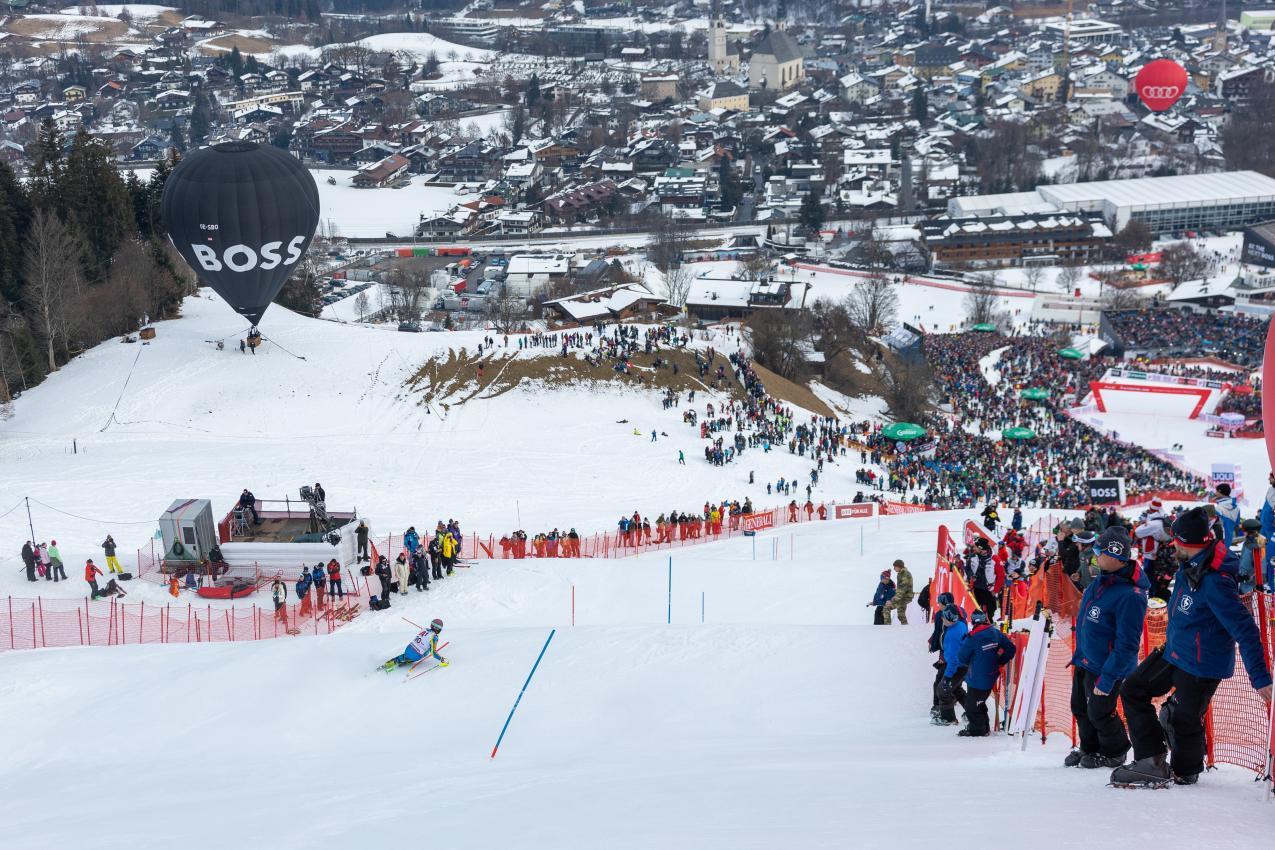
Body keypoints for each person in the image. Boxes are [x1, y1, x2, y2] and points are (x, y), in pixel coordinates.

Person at [1111, 507, 1273, 787]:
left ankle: (1185, 771)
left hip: (1202, 663)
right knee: (1133, 689)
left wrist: (1260, 677)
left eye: (1175, 540)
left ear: (1186, 542)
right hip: (1175, 651)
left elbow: (1245, 630)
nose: (1172, 545)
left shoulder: (1215, 581)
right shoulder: (1192, 565)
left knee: (1183, 719)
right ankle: (1151, 760)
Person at [1065, 526, 1148, 769]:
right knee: (1080, 707)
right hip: (1086, 660)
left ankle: (1115, 751)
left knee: (1100, 712)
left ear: (1114, 555)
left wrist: (1108, 677)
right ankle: (1090, 747)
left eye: (1099, 552)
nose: (1095, 556)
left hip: (1106, 666)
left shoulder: (1131, 595)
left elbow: (1128, 644)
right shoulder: (1099, 582)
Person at [955, 609, 1016, 737]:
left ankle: (978, 730)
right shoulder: (995, 633)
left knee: (971, 706)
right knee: (979, 702)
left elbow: (961, 657)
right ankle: (984, 727)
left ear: (973, 622)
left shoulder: (972, 637)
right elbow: (1011, 649)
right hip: (991, 675)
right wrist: (1000, 661)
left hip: (977, 678)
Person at [934, 604, 969, 726]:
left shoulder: (953, 634)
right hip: (962, 664)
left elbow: (954, 660)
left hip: (958, 666)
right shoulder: (959, 625)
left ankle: (948, 718)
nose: (941, 619)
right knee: (956, 689)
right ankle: (972, 712)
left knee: (942, 690)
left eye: (943, 617)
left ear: (949, 619)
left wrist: (947, 677)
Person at [379, 619, 448, 672]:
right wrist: (442, 659)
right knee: (426, 651)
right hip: (416, 655)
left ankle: (389, 664)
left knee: (405, 656)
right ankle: (408, 660)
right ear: (438, 629)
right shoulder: (434, 637)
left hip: (408, 649)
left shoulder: (424, 629)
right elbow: (433, 653)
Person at [966, 538, 997, 620]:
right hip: (976, 587)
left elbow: (1000, 573)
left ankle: (989, 622)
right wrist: (971, 575)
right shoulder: (972, 556)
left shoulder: (993, 557)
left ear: (981, 549)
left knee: (991, 608)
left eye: (976, 547)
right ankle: (978, 622)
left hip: (988, 588)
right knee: (976, 607)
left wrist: (996, 588)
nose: (974, 548)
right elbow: (967, 568)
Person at [887, 559, 914, 625]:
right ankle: (905, 627)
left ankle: (887, 628)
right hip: (901, 597)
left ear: (899, 566)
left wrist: (893, 599)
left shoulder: (905, 574)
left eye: (895, 566)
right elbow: (900, 588)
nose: (894, 568)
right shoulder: (901, 574)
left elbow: (903, 588)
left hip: (904, 597)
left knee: (887, 608)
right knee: (900, 615)